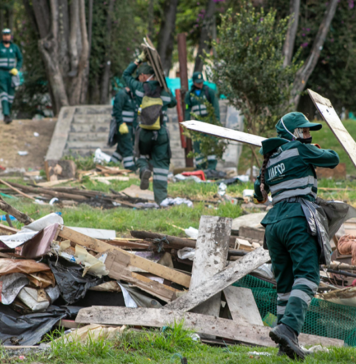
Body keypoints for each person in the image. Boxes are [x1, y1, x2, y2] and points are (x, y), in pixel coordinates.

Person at [253, 112, 339, 360]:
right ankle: (288, 329)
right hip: (297, 218)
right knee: (308, 276)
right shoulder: (300, 150)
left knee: (285, 287)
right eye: (303, 131)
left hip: (273, 225)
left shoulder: (269, 160)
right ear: (292, 134)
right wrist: (312, 148)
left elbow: (258, 194)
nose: (308, 135)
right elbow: (332, 159)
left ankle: (284, 345)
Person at [122, 56, 177, 205]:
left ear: (144, 76)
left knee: (140, 155)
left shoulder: (140, 89)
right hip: (161, 133)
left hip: (144, 132)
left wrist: (138, 60)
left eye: (140, 76)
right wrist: (165, 87)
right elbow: (173, 102)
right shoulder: (164, 91)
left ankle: (144, 169)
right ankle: (161, 200)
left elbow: (125, 75)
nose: (139, 79)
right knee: (161, 166)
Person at [184, 71, 220, 170]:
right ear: (194, 82)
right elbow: (187, 110)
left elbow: (216, 108)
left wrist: (217, 123)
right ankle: (201, 168)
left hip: (209, 122)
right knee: (198, 146)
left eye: (201, 82)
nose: (200, 84)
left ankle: (212, 168)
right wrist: (187, 125)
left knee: (211, 145)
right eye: (198, 82)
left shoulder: (210, 92)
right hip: (197, 124)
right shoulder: (189, 94)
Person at [110, 86, 137, 171]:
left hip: (130, 126)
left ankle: (111, 164)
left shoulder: (132, 96)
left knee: (121, 149)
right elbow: (117, 110)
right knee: (128, 147)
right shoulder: (122, 94)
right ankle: (129, 167)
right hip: (123, 126)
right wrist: (120, 123)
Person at [0, 28, 22, 124]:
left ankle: (7, 113)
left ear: (10, 36)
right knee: (4, 93)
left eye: (8, 35)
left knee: (10, 95)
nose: (6, 36)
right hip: (2, 72)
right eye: (5, 35)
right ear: (2, 36)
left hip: (11, 73)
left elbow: (20, 59)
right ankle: (6, 114)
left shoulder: (15, 47)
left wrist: (16, 68)